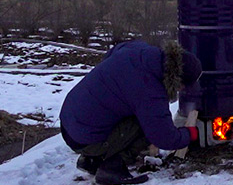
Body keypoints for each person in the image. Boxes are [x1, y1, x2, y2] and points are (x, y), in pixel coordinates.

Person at [60, 40, 202, 185]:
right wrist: (188, 134)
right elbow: (163, 137)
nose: (181, 91)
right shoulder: (150, 89)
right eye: (183, 87)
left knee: (132, 111)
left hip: (69, 122)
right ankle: (112, 167)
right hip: (84, 136)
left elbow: (113, 52)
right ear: (176, 79)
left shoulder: (140, 50)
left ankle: (90, 160)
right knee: (146, 125)